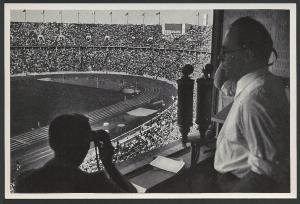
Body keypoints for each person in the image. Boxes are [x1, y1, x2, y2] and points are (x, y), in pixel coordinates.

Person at [213, 17, 290, 192]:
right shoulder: (259, 82)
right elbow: (220, 83)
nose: (220, 58)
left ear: (247, 55)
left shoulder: (256, 98)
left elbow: (266, 175)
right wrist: (226, 56)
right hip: (236, 180)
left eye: (225, 52)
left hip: (239, 185)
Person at [15, 114, 137, 193]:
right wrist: (109, 165)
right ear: (85, 145)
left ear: (52, 143)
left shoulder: (24, 181)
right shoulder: (95, 183)